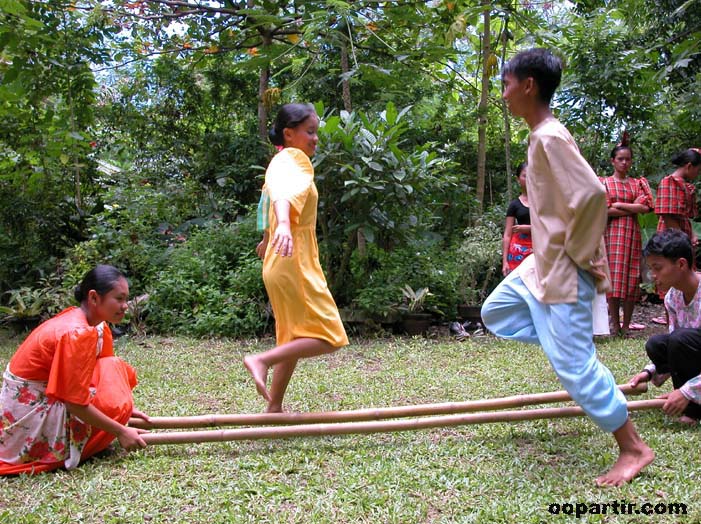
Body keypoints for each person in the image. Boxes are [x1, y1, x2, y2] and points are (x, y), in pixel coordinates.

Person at [481, 48, 653, 487]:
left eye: (506, 85)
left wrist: (576, 253)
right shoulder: (539, 136)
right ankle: (566, 348)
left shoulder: (551, 136)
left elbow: (594, 194)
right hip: (543, 265)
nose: (503, 95)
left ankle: (634, 447)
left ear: (528, 85)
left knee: (575, 367)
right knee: (495, 311)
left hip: (563, 267)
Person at [245, 103, 348, 413]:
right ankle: (260, 359)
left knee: (291, 336)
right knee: (331, 336)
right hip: (294, 257)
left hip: (280, 258)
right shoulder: (295, 159)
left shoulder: (279, 161)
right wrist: (286, 227)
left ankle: (273, 407)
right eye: (310, 132)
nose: (315, 138)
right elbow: (283, 195)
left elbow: (270, 196)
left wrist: (268, 236)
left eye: (316, 132)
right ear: (289, 135)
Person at [0, 265, 149, 475]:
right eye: (119, 299)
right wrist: (121, 430)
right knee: (112, 370)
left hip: (47, 400)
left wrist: (124, 411)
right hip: (29, 418)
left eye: (126, 299)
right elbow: (74, 403)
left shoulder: (94, 325)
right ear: (94, 298)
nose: (125, 306)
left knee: (112, 367)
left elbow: (88, 377)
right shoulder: (76, 333)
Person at [629, 230, 701, 425]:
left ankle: (692, 408)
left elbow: (681, 342)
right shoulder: (673, 297)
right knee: (657, 344)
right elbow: (674, 347)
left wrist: (686, 391)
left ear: (681, 264)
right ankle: (689, 401)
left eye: (658, 268)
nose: (653, 275)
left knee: (679, 339)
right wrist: (650, 372)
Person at [601, 141, 653, 336]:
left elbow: (645, 207)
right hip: (612, 235)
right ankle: (615, 325)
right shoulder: (604, 182)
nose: (624, 163)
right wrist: (631, 207)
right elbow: (604, 211)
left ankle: (626, 325)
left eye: (627, 159)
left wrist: (619, 204)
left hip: (632, 235)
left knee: (632, 280)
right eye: (620, 159)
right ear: (613, 161)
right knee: (613, 279)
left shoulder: (636, 183)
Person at [651, 148, 701, 324]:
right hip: (671, 237)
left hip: (683, 235)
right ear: (689, 166)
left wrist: (692, 235)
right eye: (698, 169)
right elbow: (667, 216)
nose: (698, 173)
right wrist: (680, 242)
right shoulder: (668, 183)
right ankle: (672, 322)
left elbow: (687, 216)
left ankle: (690, 320)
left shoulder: (686, 186)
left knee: (686, 276)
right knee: (670, 276)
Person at [501, 162, 532, 276]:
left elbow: (551, 228)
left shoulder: (544, 203)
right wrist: (504, 262)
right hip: (517, 253)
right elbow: (507, 234)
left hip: (540, 252)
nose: (529, 179)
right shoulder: (514, 205)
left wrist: (529, 228)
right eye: (525, 176)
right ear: (518, 179)